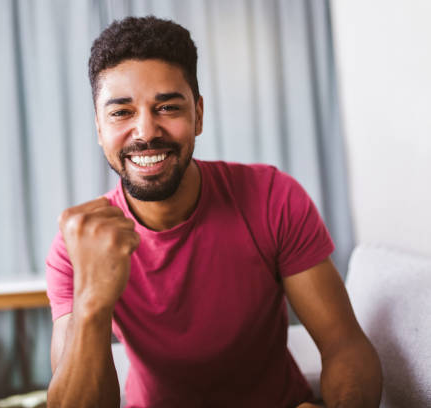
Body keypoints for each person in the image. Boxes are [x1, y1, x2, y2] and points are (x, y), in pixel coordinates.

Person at [45, 16, 382, 408]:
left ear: (198, 115)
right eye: (121, 113)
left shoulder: (272, 198)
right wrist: (91, 304)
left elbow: (344, 344)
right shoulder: (77, 244)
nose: (146, 131)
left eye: (167, 107)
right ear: (99, 129)